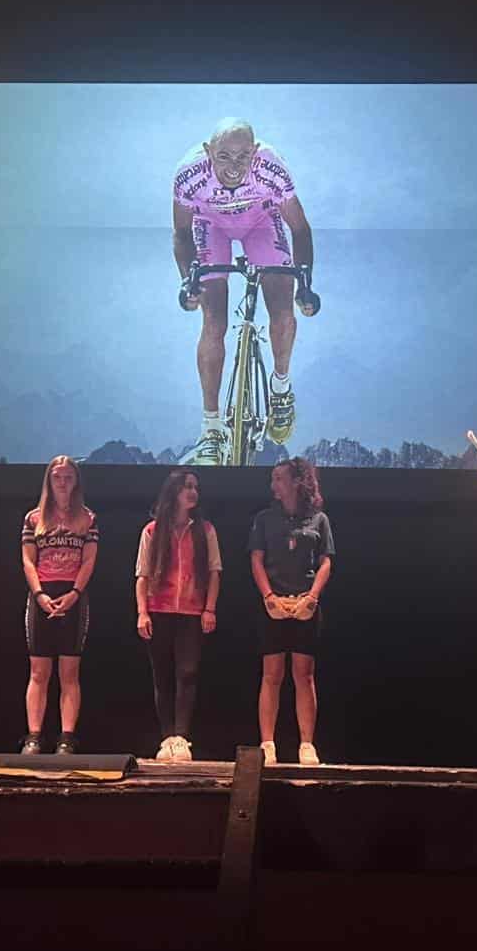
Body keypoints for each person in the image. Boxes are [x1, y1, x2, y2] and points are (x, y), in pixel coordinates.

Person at [173, 117, 318, 464]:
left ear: (254, 153)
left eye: (242, 158)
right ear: (208, 152)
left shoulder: (273, 168)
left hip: (261, 223)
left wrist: (305, 285)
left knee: (282, 310)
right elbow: (181, 235)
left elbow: (299, 229)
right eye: (223, 157)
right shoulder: (189, 175)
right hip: (211, 226)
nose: (234, 167)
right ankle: (210, 430)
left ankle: (280, 390)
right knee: (214, 322)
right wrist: (187, 281)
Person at [249, 457, 333, 765]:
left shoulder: (319, 519)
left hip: (304, 605)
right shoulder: (264, 519)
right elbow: (256, 559)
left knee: (304, 674)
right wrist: (268, 596)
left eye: (278, 479)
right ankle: (267, 744)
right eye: (272, 479)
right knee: (271, 674)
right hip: (275, 604)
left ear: (297, 482)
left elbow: (326, 561)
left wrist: (312, 598)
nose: (274, 485)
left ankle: (306, 745)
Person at [134, 470, 221, 762]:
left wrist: (209, 609)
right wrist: (142, 612)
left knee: (187, 673)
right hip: (158, 610)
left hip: (191, 612)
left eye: (195, 487)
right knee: (162, 677)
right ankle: (166, 738)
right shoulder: (152, 530)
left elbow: (214, 572)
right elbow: (142, 575)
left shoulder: (205, 529)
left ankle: (182, 737)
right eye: (186, 487)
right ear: (173, 492)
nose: (192, 492)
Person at [19, 456, 99, 754]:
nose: (62, 483)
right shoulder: (33, 518)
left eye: (68, 477)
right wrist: (39, 595)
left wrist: (75, 593)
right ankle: (34, 736)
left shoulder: (88, 518)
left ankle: (66, 737)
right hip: (41, 596)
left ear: (76, 481)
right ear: (49, 481)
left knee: (69, 672)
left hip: (73, 597)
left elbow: (89, 560)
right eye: (57, 477)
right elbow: (28, 560)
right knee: (38, 671)